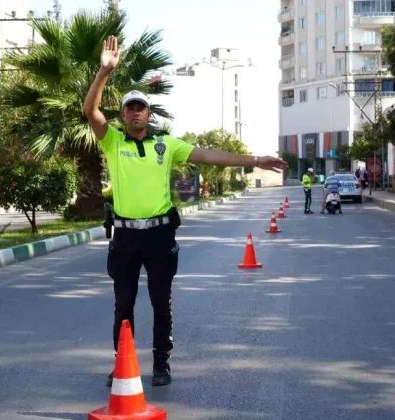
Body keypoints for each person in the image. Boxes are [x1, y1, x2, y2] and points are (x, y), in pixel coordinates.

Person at [84, 36, 288, 388]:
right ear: (124, 114)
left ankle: (161, 363)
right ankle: (122, 363)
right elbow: (90, 111)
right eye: (130, 107)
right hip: (126, 235)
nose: (135, 112)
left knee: (161, 302)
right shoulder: (113, 142)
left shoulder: (166, 144)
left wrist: (256, 160)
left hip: (160, 235)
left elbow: (209, 155)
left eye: (141, 108)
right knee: (123, 306)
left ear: (149, 114)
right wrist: (104, 72)